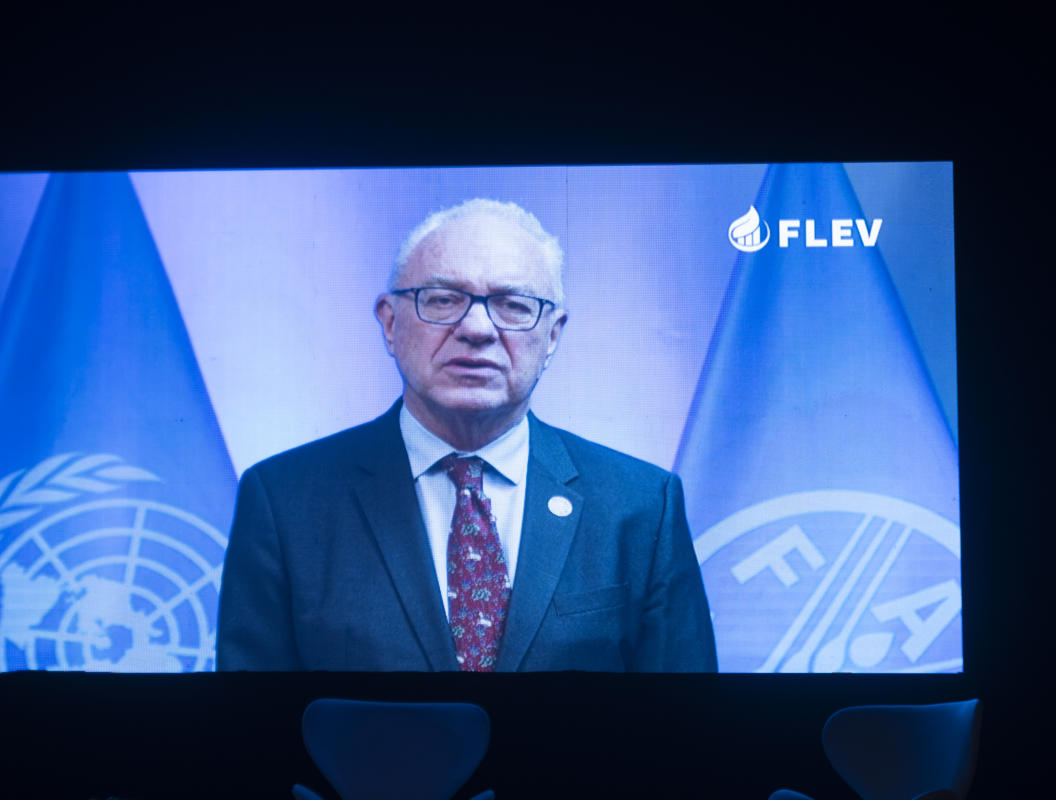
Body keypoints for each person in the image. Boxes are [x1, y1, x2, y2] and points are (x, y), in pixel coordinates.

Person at [216, 198, 716, 672]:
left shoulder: (641, 505)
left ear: (553, 335)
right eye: (443, 299)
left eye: (513, 305)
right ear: (389, 323)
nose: (477, 328)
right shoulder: (285, 502)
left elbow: (683, 727)